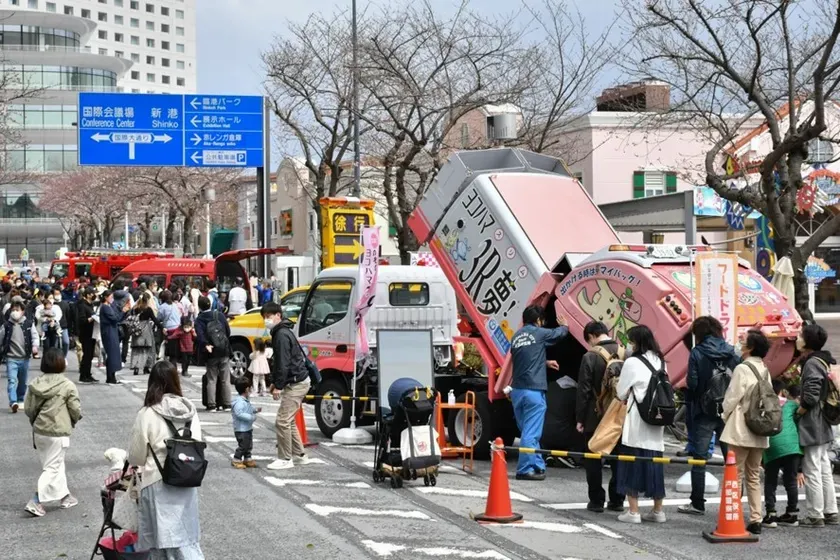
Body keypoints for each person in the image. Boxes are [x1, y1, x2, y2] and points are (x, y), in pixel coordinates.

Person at [128, 361, 205, 558]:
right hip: (186, 479)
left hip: (157, 481)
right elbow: (197, 442)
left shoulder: (147, 413)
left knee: (160, 543)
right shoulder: (190, 411)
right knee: (185, 539)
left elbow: (136, 456)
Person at [678, 316, 740, 516]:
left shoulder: (697, 352)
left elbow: (693, 383)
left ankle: (697, 503)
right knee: (731, 459)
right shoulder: (733, 352)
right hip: (728, 411)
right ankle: (734, 503)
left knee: (699, 459)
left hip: (703, 411)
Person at [719, 329, 772, 535]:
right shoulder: (764, 369)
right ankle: (756, 518)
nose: (740, 342)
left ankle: (733, 518)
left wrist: (724, 415)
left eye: (743, 341)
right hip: (759, 429)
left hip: (741, 428)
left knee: (735, 474)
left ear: (750, 348)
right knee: (753, 475)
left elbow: (732, 397)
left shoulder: (742, 368)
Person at [509, 304, 568, 481]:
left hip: (517, 390)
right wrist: (564, 325)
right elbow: (559, 334)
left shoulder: (517, 336)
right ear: (538, 320)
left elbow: (526, 359)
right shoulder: (539, 333)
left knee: (526, 429)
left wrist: (545, 362)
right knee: (531, 433)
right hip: (533, 390)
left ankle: (538, 465)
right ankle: (525, 469)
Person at [615, 325, 667, 524]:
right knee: (655, 463)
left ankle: (634, 511)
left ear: (636, 342)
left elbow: (621, 392)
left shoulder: (633, 362)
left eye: (630, 341)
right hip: (657, 418)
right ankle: (658, 510)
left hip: (638, 419)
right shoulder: (660, 360)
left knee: (632, 463)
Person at [23, 349, 82, 517]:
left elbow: (28, 409)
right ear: (61, 363)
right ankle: (36, 500)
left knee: (55, 464)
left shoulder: (35, 384)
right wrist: (73, 420)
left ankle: (65, 496)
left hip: (40, 431)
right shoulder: (67, 385)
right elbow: (75, 409)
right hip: (58, 432)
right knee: (53, 467)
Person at [576, 320, 625, 512]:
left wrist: (580, 418)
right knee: (619, 458)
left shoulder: (590, 356)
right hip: (619, 415)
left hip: (594, 415)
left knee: (593, 458)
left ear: (591, 336)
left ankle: (596, 501)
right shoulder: (625, 353)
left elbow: (584, 391)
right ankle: (617, 499)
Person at [795, 323, 839, 528]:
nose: (797, 338)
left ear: (808, 341)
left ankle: (815, 514)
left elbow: (811, 395)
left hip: (812, 420)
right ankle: (830, 511)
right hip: (824, 419)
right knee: (822, 466)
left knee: (812, 466)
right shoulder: (824, 360)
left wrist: (798, 412)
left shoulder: (812, 363)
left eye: (800, 335)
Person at [262, 302, 312, 470]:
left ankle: (285, 458)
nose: (266, 320)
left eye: (268, 317)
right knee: (288, 421)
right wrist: (275, 382)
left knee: (282, 421)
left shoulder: (281, 335)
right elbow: (279, 363)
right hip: (298, 380)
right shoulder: (282, 332)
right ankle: (300, 455)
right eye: (264, 318)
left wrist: (278, 385)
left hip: (296, 382)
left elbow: (283, 363)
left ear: (278, 315)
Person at [763, 381, 804, 528]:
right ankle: (792, 515)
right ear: (782, 392)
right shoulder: (792, 405)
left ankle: (771, 514)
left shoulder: (764, 404)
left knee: (770, 481)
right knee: (791, 480)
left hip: (772, 446)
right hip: (792, 446)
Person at [1, 300, 39, 412]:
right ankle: (13, 402)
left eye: (17, 310)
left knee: (23, 381)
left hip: (24, 358)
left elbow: (35, 336)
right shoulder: (7, 325)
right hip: (11, 357)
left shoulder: (28, 324)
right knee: (12, 380)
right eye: (13, 310)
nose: (15, 312)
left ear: (22, 311)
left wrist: (35, 346)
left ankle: (20, 399)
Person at [195, 296, 231, 411]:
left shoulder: (199, 319)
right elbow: (228, 331)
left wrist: (206, 344)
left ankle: (211, 405)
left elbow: (200, 335)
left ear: (199, 306)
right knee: (225, 378)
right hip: (224, 350)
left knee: (211, 379)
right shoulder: (219, 315)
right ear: (210, 304)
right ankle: (227, 404)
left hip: (211, 352)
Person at [100, 290, 130, 384]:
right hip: (109, 332)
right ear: (106, 297)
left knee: (112, 354)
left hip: (111, 330)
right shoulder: (105, 307)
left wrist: (123, 312)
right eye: (111, 297)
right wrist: (123, 311)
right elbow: (115, 318)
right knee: (112, 354)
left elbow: (117, 318)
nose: (112, 299)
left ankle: (110, 377)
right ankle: (111, 377)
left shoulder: (107, 307)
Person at [231, 376, 261, 469]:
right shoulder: (239, 402)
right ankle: (236, 458)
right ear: (247, 389)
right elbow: (239, 413)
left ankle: (247, 458)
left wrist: (255, 410)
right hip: (241, 428)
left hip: (247, 428)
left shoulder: (245, 401)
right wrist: (251, 417)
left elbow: (248, 408)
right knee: (243, 445)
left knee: (248, 444)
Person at [129, 294, 161, 376]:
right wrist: (162, 327)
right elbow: (155, 319)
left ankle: (136, 368)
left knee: (136, 350)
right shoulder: (148, 309)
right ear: (148, 300)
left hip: (136, 330)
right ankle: (146, 368)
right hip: (146, 330)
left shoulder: (135, 309)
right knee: (148, 349)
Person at [75, 288, 99, 383]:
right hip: (85, 333)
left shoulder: (91, 305)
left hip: (92, 332)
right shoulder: (82, 305)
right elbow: (82, 320)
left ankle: (88, 374)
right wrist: (92, 318)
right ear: (88, 295)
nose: (94, 295)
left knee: (90, 355)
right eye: (92, 293)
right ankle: (83, 375)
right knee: (87, 355)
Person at [111, 280, 134, 364]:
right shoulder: (128, 295)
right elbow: (131, 307)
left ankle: (115, 358)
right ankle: (123, 359)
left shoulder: (112, 295)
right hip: (126, 321)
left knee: (116, 341)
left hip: (115, 321)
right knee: (125, 341)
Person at [157, 290, 182, 361]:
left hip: (168, 329)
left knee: (168, 348)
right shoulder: (175, 305)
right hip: (177, 328)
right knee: (175, 349)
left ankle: (169, 363)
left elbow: (159, 318)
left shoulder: (162, 306)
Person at [52, 287, 71, 356]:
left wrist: (69, 326)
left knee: (66, 342)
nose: (57, 295)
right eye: (55, 294)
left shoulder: (65, 304)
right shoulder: (51, 304)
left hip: (64, 326)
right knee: (55, 344)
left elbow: (68, 316)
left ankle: (64, 357)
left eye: (58, 293)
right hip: (54, 326)